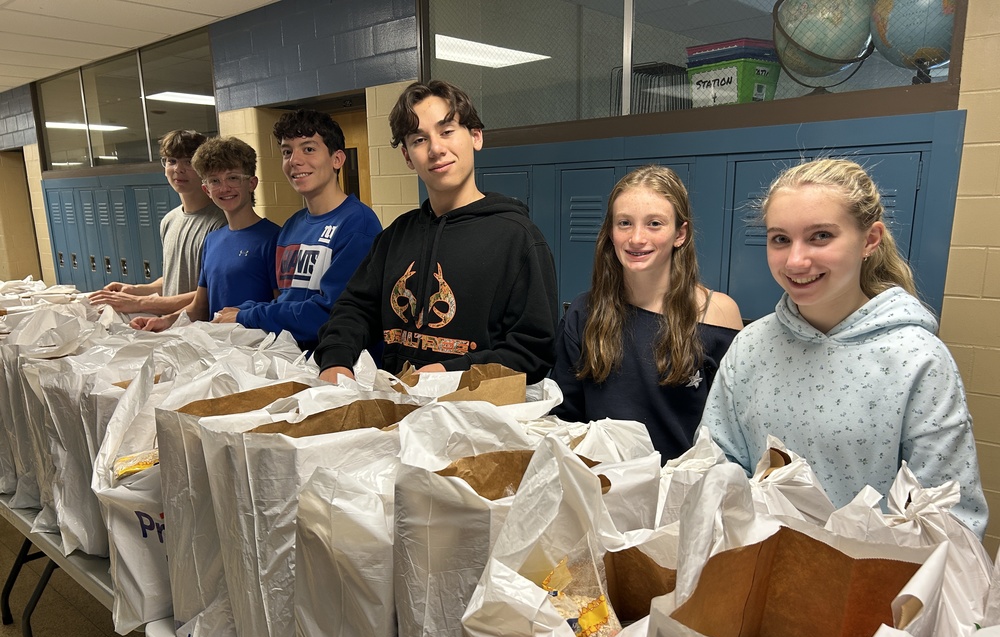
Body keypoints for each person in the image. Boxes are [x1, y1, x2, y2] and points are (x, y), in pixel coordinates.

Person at [700, 157, 987, 537]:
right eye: (780, 239)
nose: (796, 260)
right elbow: (716, 466)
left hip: (871, 583)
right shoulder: (751, 347)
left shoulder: (917, 358)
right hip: (755, 570)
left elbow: (950, 515)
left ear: (869, 240)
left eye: (821, 236)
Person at [312, 80, 559, 383]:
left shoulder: (518, 239)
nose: (436, 149)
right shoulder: (395, 237)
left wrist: (448, 373)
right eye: (419, 139)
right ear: (406, 157)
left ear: (476, 137)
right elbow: (355, 308)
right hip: (399, 409)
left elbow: (533, 352)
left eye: (447, 131)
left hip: (475, 417)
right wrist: (336, 359)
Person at [552, 165, 743, 462]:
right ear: (610, 232)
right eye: (625, 223)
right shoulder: (584, 313)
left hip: (683, 493)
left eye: (654, 224)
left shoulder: (716, 313)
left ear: (680, 234)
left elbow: (734, 431)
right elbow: (565, 419)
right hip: (605, 486)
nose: (637, 238)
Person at [211, 109, 381, 351]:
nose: (295, 160)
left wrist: (247, 316)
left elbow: (330, 314)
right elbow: (288, 300)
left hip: (340, 368)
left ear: (337, 159)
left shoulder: (358, 224)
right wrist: (244, 309)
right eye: (287, 152)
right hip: (294, 359)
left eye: (308, 149)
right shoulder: (291, 226)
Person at [128, 136, 279, 332]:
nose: (224, 188)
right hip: (217, 350)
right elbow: (199, 307)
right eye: (215, 181)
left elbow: (280, 308)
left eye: (233, 178)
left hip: (257, 353)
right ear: (206, 190)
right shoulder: (213, 240)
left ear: (251, 183)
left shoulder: (275, 239)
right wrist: (164, 321)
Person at [89, 130, 226, 314]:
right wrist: (134, 290)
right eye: (171, 161)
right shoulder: (170, 220)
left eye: (188, 161)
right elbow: (175, 279)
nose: (178, 169)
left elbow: (210, 295)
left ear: (205, 168)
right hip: (170, 328)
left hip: (202, 333)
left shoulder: (220, 223)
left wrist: (140, 302)